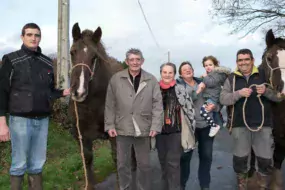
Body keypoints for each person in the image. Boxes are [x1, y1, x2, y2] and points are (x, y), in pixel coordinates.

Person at [0, 23, 70, 189]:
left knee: (37, 163)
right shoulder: (11, 59)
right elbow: (2, 91)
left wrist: (62, 93)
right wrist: (2, 122)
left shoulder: (46, 62)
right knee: (19, 163)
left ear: (40, 38)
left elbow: (49, 91)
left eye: (37, 35)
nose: (33, 38)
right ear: (22, 37)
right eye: (30, 34)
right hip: (20, 120)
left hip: (43, 120)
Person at [220, 48, 282, 189]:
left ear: (252, 60)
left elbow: (278, 97)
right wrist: (238, 93)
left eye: (246, 59)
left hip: (263, 126)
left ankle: (262, 186)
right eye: (240, 60)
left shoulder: (264, 74)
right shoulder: (231, 78)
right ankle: (242, 186)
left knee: (265, 160)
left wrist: (266, 91)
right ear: (237, 62)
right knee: (240, 160)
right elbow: (223, 99)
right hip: (239, 125)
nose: (244, 63)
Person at [104, 48, 163, 190]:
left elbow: (157, 105)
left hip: (144, 128)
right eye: (132, 60)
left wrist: (155, 126)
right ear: (126, 62)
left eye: (138, 59)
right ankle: (125, 187)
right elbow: (110, 104)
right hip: (122, 128)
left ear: (142, 61)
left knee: (144, 165)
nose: (135, 62)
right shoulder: (116, 79)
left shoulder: (151, 80)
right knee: (123, 164)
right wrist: (110, 125)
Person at [156, 62, 196, 190]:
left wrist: (191, 131)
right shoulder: (154, 90)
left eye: (170, 72)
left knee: (173, 164)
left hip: (176, 132)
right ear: (161, 73)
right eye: (165, 72)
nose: (167, 75)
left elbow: (190, 110)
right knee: (163, 165)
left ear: (174, 74)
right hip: (159, 133)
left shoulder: (180, 89)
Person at [178, 61, 216, 190]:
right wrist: (198, 91)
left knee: (206, 157)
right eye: (184, 69)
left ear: (193, 71)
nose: (188, 70)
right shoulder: (179, 86)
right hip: (189, 128)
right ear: (180, 74)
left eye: (190, 68)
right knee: (185, 157)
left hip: (205, 125)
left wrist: (213, 104)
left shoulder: (202, 81)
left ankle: (205, 185)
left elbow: (214, 95)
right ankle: (181, 184)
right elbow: (184, 101)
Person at [196, 56, 230, 137]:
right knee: (210, 112)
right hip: (211, 97)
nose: (208, 67)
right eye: (206, 65)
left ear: (215, 65)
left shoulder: (217, 74)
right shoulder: (210, 75)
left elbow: (211, 82)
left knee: (203, 111)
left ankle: (214, 126)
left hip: (213, 98)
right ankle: (219, 123)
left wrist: (205, 77)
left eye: (210, 65)